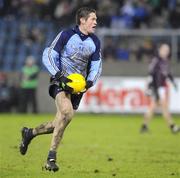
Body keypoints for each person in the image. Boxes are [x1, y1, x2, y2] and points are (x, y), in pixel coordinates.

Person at [19, 7, 102, 172]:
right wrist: (59, 75)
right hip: (60, 83)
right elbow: (48, 54)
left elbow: (96, 65)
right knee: (66, 112)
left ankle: (30, 133)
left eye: (96, 19)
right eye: (93, 19)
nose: (96, 22)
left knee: (59, 123)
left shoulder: (95, 42)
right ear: (82, 20)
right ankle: (51, 158)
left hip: (78, 88)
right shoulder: (66, 35)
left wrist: (89, 82)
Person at [140, 43, 179, 134]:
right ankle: (172, 126)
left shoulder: (165, 62)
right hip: (157, 87)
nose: (166, 52)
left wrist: (174, 83)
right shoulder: (156, 60)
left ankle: (144, 126)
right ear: (160, 50)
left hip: (161, 87)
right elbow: (150, 73)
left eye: (167, 50)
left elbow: (168, 74)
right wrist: (148, 86)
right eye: (164, 50)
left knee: (153, 107)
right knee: (164, 106)